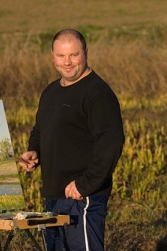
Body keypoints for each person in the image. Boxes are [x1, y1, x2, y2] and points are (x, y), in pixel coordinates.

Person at [19, 29, 125, 251]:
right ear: (52, 56)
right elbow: (40, 129)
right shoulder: (50, 91)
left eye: (73, 55)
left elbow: (111, 144)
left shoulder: (98, 94)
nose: (67, 62)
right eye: (61, 56)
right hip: (53, 197)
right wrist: (34, 151)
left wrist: (85, 185)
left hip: (83, 198)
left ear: (85, 53)